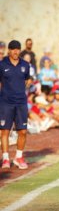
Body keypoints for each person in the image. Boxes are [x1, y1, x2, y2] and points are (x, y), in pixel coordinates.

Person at [0, 40, 31, 169]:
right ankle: (6, 159)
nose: (15, 51)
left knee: (23, 131)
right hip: (6, 103)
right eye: (13, 49)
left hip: (21, 102)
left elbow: (27, 79)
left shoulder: (25, 64)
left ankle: (18, 157)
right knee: (4, 131)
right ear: (9, 50)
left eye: (17, 49)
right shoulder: (2, 65)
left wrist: (21, 89)